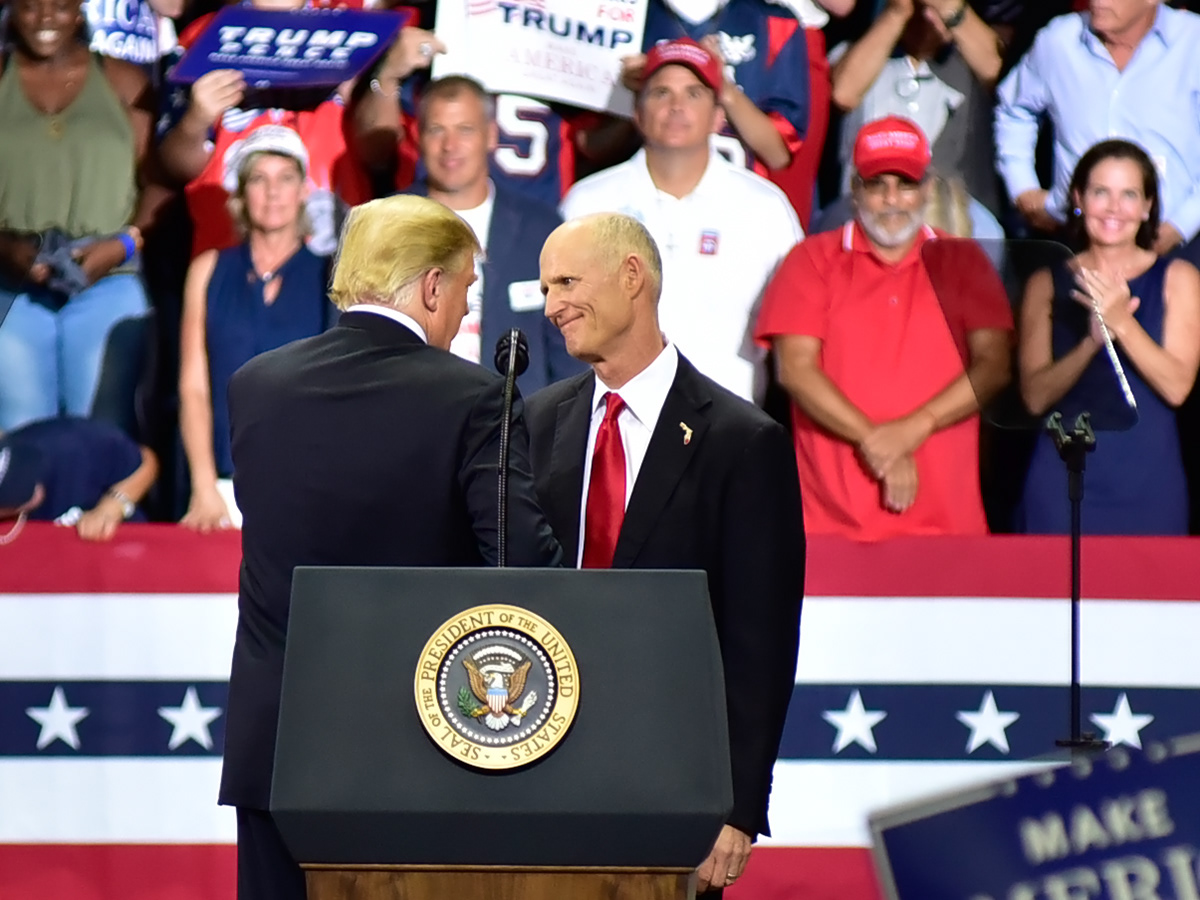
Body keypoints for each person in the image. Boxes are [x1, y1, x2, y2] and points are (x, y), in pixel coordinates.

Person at [218, 195, 562, 899]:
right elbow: (524, 565)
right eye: (467, 290)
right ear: (432, 284)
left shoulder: (256, 386)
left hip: (278, 743)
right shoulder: (474, 397)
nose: (467, 312)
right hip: (419, 747)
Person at [526, 213, 804, 896]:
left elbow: (759, 643)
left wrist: (737, 807)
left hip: (674, 783)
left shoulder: (741, 441)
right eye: (545, 287)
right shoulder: (533, 425)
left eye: (566, 282)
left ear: (632, 277)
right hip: (537, 774)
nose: (551, 305)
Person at [755, 116, 1013, 539]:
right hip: (830, 526)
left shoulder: (963, 261)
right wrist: (877, 442)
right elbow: (795, 370)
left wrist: (913, 428)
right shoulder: (810, 260)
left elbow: (995, 365)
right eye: (877, 184)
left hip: (947, 525)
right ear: (855, 190)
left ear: (927, 189)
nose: (892, 200)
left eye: (906, 184)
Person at [561, 38, 803, 403]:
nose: (676, 107)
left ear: (719, 115)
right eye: (660, 93)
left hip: (728, 431)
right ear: (638, 112)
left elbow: (797, 328)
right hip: (617, 428)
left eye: (693, 94)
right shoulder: (589, 203)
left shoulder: (764, 208)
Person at [1017, 139, 1200, 534]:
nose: (1114, 208)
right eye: (1102, 192)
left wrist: (1122, 323)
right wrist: (1090, 343)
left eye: (1129, 194)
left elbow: (1177, 387)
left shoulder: (1178, 279)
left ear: (1148, 205)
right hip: (1062, 484)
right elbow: (1034, 396)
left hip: (1148, 485)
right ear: (1079, 198)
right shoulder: (1046, 283)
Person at [0, 0, 158, 431]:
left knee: (103, 436)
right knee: (21, 444)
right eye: (30, 7)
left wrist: (123, 243)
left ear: (80, 11)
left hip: (108, 278)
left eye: (60, 5)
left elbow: (157, 185)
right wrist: (7, 250)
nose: (46, 18)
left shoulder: (124, 81)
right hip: (13, 288)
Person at [179, 126, 334, 532]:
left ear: (304, 189)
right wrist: (203, 484)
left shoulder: (328, 276)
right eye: (259, 180)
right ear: (242, 192)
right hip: (222, 485)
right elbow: (193, 387)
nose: (273, 192)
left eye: (286, 179)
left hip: (305, 489)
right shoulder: (209, 270)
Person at [401, 75, 583, 390]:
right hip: (412, 429)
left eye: (465, 130)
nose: (450, 146)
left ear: (491, 136)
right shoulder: (382, 226)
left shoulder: (541, 230)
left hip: (514, 432)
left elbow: (570, 353)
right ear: (417, 136)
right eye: (437, 130)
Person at [995, 0, 1200, 263]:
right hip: (1077, 244)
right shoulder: (1059, 41)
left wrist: (1179, 227)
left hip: (1176, 248)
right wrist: (1022, 187)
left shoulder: (1193, 44)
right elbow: (1015, 110)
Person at [0, 418, 158, 543]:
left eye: (23, 467)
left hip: (121, 550)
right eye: (12, 490)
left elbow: (145, 462)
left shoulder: (68, 443)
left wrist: (110, 508)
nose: (34, 490)